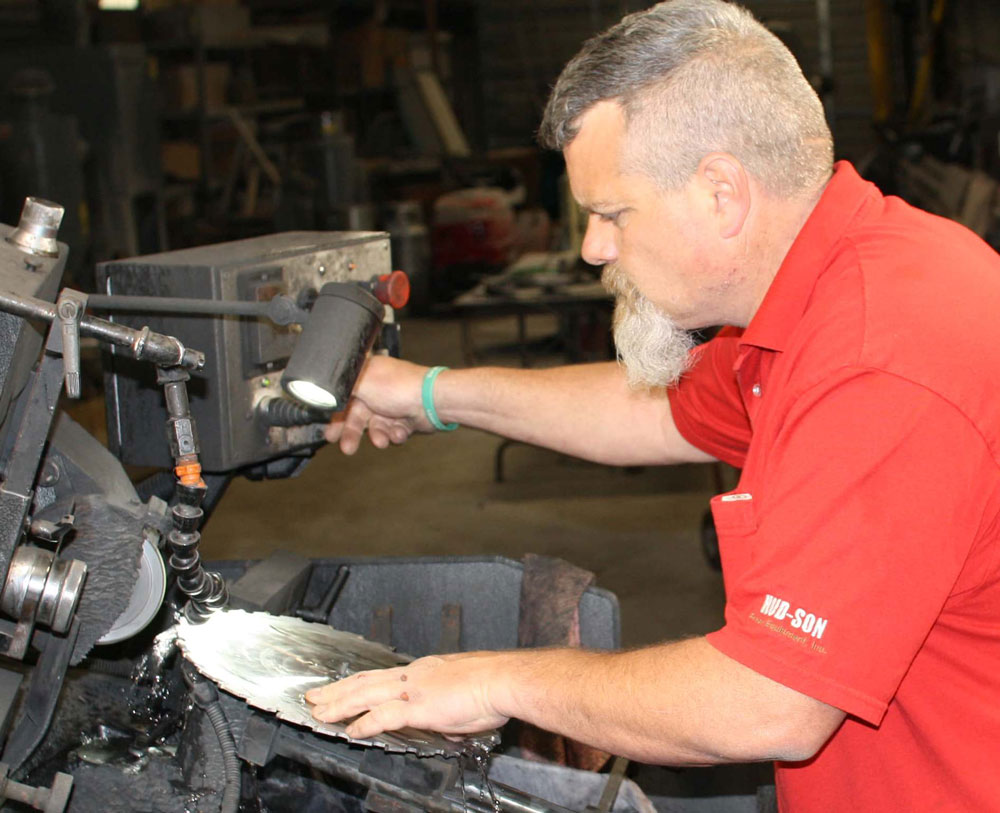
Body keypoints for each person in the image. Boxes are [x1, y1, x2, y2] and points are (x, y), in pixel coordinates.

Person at [306, 1, 1000, 810]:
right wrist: (426, 392)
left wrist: (495, 680)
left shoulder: (880, 356)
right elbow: (653, 412)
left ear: (720, 193)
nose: (593, 247)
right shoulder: (817, 288)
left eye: (611, 213)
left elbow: (771, 699)